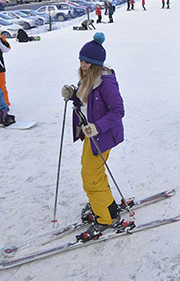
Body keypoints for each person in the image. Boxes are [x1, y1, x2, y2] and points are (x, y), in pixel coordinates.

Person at [61, 32, 126, 241]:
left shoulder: (105, 82)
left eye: (87, 62)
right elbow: (86, 102)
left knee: (90, 176)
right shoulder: (87, 79)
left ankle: (106, 217)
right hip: (92, 136)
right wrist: (72, 94)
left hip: (102, 136)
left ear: (97, 64)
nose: (82, 65)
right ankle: (107, 204)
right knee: (92, 171)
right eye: (81, 60)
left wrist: (97, 127)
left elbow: (118, 110)